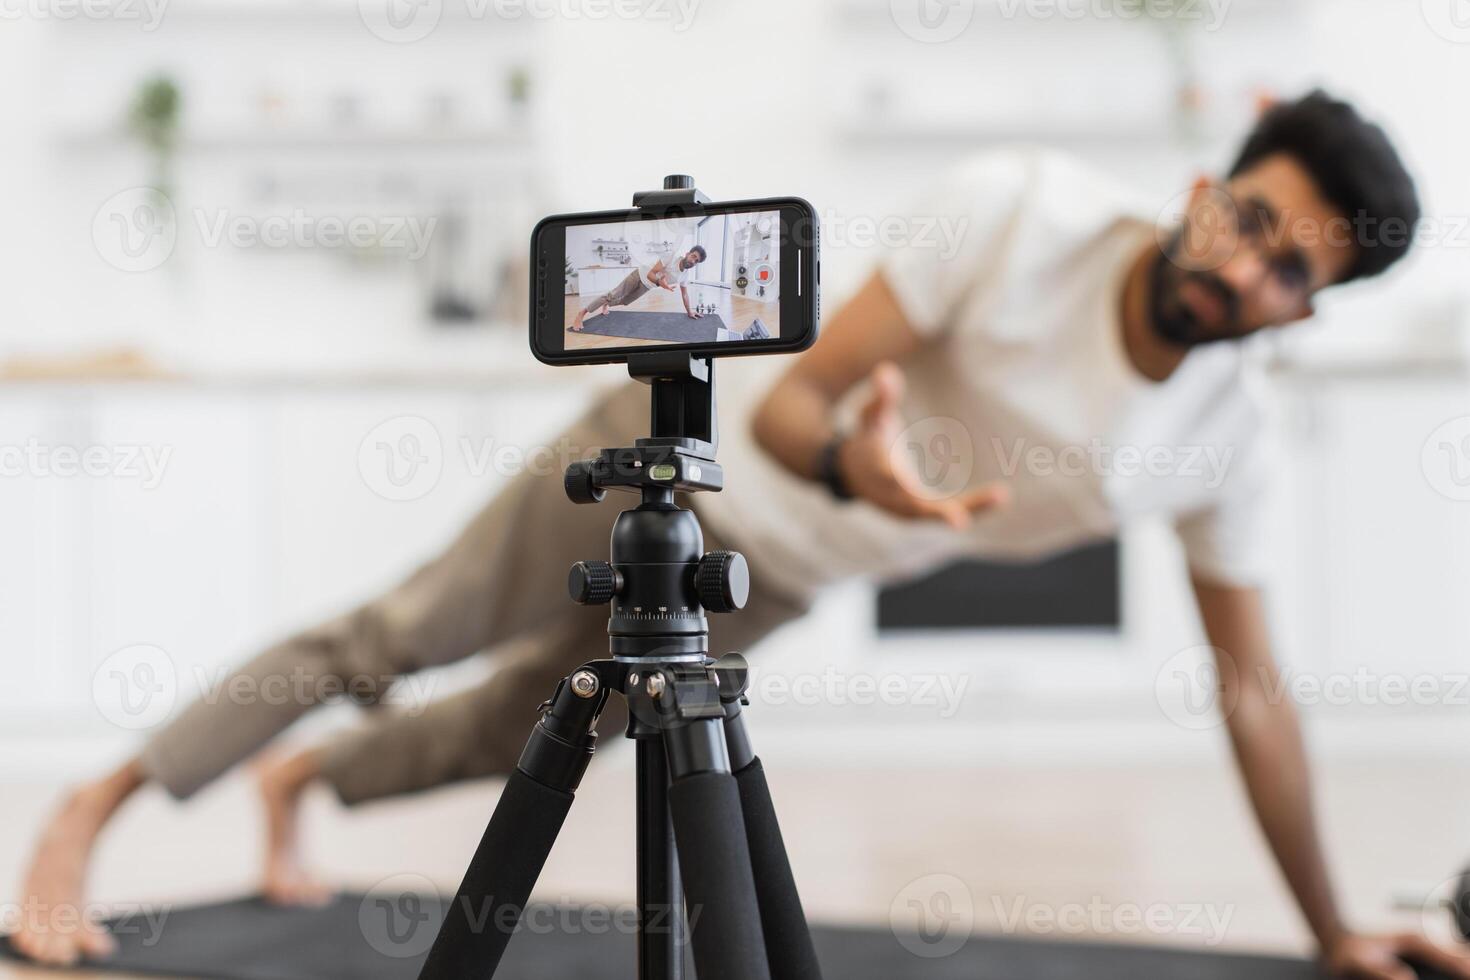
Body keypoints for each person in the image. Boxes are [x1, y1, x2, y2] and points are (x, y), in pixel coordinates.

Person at [16, 91, 1470, 980]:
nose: (1252, 273)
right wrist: (863, 461)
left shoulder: (1231, 441)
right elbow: (801, 405)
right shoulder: (1020, 211)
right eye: (1257, 225)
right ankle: (93, 809)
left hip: (775, 582)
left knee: (497, 740)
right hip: (657, 467)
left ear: (1303, 310)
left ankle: (304, 780)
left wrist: (1335, 929)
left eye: (1293, 275)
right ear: (1207, 190)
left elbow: (1254, 701)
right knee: (405, 634)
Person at [570, 244, 709, 330]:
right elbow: (650, 274)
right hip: (639, 275)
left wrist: (689, 311)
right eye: (693, 256)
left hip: (646, 286)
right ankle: (582, 313)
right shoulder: (671, 257)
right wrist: (662, 283)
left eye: (697, 261)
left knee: (625, 302)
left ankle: (606, 305)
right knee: (613, 295)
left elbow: (685, 294)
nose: (693, 261)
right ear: (687, 254)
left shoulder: (684, 275)